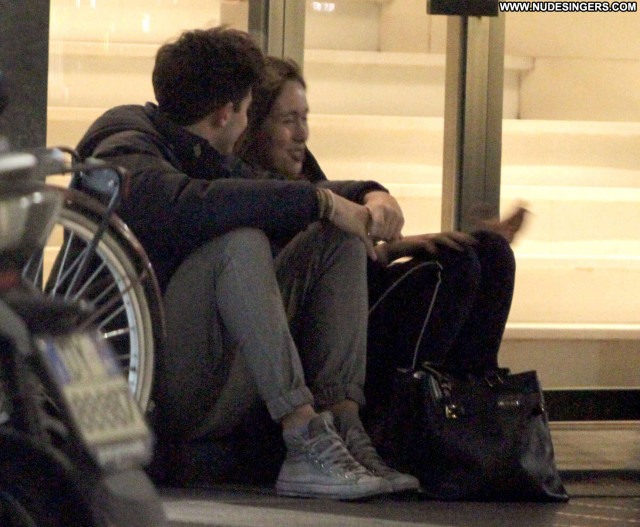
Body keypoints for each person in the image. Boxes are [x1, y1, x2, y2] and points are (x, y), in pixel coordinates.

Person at [75, 26, 420, 499]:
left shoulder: (207, 152)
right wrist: (320, 202)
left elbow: (278, 189)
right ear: (226, 113)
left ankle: (342, 426)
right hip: (139, 389)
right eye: (247, 108)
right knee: (240, 243)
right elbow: (176, 202)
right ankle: (303, 436)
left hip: (206, 374)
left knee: (334, 238)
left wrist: (367, 195)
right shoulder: (125, 137)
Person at [234, 56, 527, 414]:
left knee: (490, 252)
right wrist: (368, 202)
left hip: (350, 303)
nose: (302, 134)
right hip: (314, 340)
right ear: (252, 126)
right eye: (288, 120)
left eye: (304, 118)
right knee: (452, 269)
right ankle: (407, 414)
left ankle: (478, 407)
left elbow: (341, 258)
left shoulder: (301, 171)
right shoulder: (246, 189)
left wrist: (397, 246)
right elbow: (310, 268)